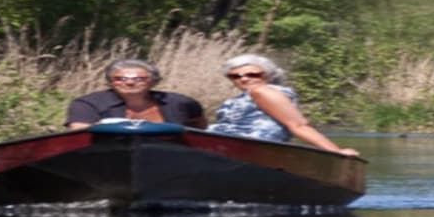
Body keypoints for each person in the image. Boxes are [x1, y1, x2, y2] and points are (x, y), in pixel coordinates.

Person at [207, 53, 360, 156]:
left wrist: (336, 152)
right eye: (235, 76)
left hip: (250, 150)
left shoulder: (262, 92)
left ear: (268, 75)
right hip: (223, 147)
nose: (244, 79)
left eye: (253, 74)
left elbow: (298, 126)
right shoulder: (243, 97)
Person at [65, 59, 205, 129]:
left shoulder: (181, 102)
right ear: (110, 82)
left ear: (153, 81)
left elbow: (199, 130)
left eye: (139, 79)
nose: (130, 83)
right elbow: (81, 134)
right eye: (120, 79)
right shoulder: (87, 104)